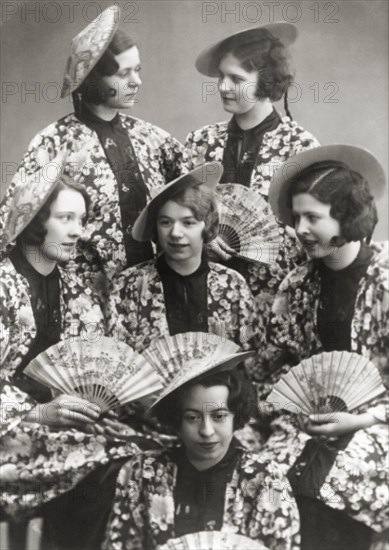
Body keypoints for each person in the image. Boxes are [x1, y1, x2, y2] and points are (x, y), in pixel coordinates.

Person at [0, 160, 150, 549]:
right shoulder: (2, 286)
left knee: (140, 454)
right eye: (66, 218)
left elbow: (96, 366)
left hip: (58, 426)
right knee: (104, 462)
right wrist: (38, 412)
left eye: (80, 220)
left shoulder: (77, 291)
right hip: (8, 430)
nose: (77, 232)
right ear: (34, 221)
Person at [256, 145, 388, 550]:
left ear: (346, 217)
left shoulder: (385, 282)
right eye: (296, 217)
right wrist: (295, 411)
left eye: (313, 217)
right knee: (269, 480)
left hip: (377, 426)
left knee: (338, 485)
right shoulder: (296, 286)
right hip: (307, 424)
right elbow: (275, 369)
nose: (300, 228)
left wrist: (365, 422)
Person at [0, 5, 185, 281]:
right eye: (124, 75)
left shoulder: (155, 140)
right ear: (93, 79)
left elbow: (191, 203)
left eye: (138, 70)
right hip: (85, 299)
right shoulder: (53, 142)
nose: (137, 82)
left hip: (152, 297)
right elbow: (13, 222)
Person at [103, 333, 301, 550]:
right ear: (177, 418)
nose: (206, 431)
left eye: (219, 417)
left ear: (237, 416)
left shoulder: (265, 478)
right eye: (192, 417)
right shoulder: (143, 472)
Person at [185, 23, 320, 329]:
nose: (223, 86)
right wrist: (204, 237)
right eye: (221, 76)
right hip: (210, 296)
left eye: (236, 79)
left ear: (267, 81)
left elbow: (313, 231)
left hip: (277, 303)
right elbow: (178, 216)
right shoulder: (199, 143)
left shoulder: (301, 147)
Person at [107, 162, 261, 354]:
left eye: (188, 223)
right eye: (166, 222)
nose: (176, 233)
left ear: (207, 226)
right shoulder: (129, 285)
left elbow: (251, 357)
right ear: (155, 227)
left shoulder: (232, 284)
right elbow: (119, 357)